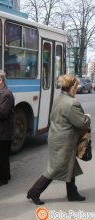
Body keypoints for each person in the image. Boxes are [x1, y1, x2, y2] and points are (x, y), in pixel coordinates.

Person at [27, 74, 91, 205]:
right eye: (76, 85)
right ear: (72, 86)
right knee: (54, 169)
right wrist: (87, 117)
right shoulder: (72, 103)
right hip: (64, 142)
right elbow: (82, 123)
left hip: (56, 138)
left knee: (70, 166)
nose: (77, 87)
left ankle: (72, 194)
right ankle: (34, 192)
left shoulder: (60, 98)